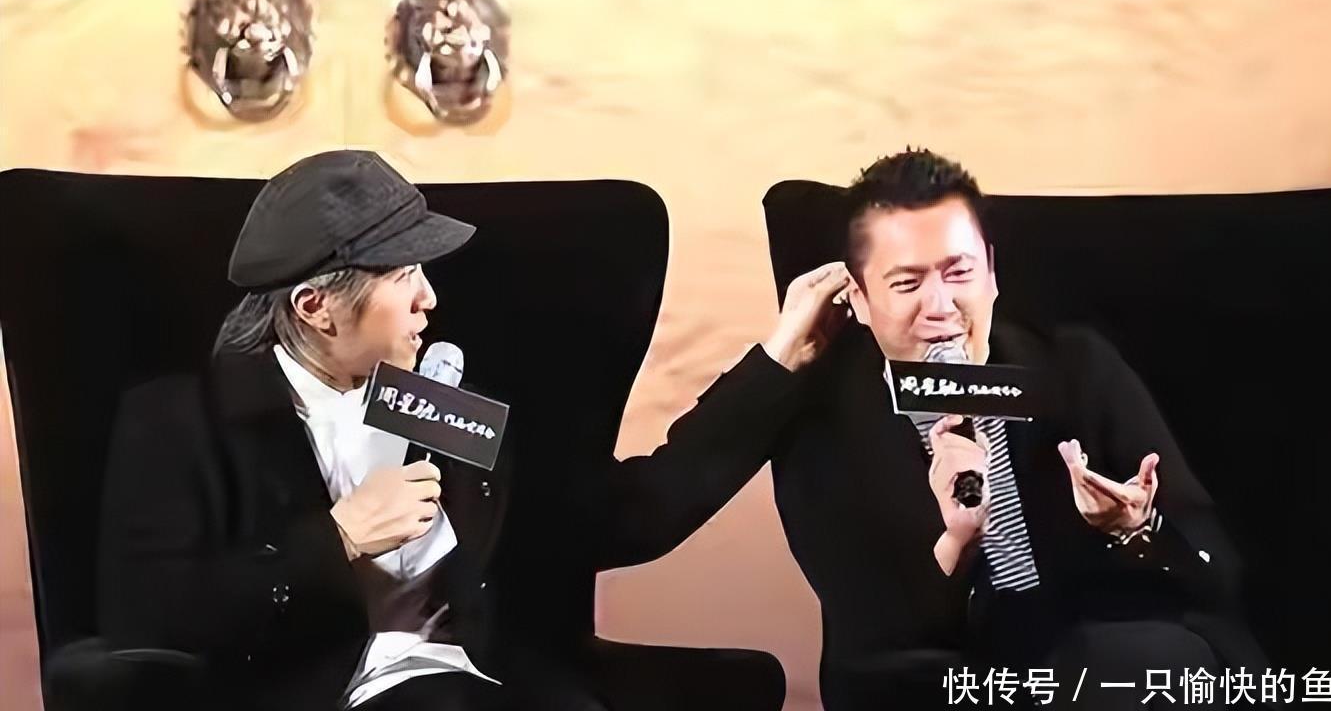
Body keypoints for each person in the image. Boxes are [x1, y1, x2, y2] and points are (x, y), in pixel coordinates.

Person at [98, 150, 849, 711]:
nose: (429, 298)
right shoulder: (182, 421)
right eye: (402, 276)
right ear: (315, 306)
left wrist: (778, 362)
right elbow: (151, 615)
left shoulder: (446, 405)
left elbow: (628, 513)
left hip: (483, 688)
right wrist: (339, 540)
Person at [770, 149, 1265, 709]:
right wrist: (956, 543)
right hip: (934, 682)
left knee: (1172, 660)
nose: (941, 306)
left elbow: (1214, 571)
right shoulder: (822, 418)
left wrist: (1135, 528)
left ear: (992, 274)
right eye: (907, 283)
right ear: (860, 301)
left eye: (959, 273)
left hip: (1095, 658)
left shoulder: (1076, 369)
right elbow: (870, 635)